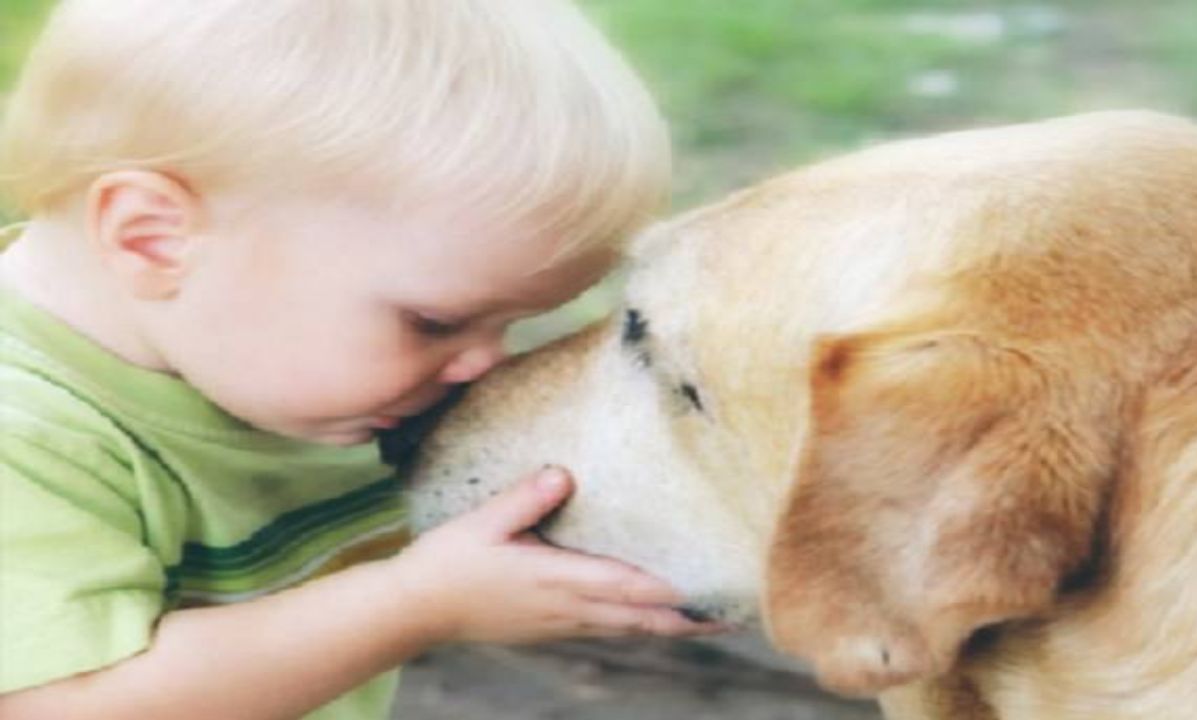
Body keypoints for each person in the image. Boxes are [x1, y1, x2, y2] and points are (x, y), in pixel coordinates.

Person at [0, 1, 719, 717]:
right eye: (435, 322)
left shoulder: (275, 362)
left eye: (514, 324)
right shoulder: (25, 440)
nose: (484, 366)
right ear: (153, 240)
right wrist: (412, 606)